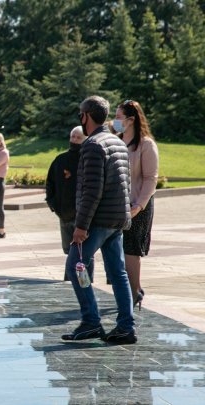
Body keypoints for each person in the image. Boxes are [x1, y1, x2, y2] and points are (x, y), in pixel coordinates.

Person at [62, 95, 135, 344]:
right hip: (117, 220)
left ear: (86, 116)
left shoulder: (93, 145)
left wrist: (81, 227)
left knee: (75, 266)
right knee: (118, 273)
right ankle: (126, 327)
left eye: (80, 115)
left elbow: (92, 190)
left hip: (98, 221)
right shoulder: (117, 142)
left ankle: (91, 322)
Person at [114, 100, 159, 309]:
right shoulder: (116, 141)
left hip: (139, 205)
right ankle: (132, 290)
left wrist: (139, 206)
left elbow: (151, 178)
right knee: (116, 249)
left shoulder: (146, 144)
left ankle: (133, 294)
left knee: (131, 250)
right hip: (117, 205)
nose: (115, 121)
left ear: (131, 120)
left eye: (119, 116)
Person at [46, 126, 94, 282]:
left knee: (84, 253)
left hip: (83, 215)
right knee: (69, 251)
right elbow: (50, 184)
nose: (74, 140)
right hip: (64, 213)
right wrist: (53, 205)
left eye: (78, 138)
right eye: (72, 137)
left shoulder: (88, 160)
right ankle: (71, 281)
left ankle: (85, 283)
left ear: (85, 140)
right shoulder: (60, 160)